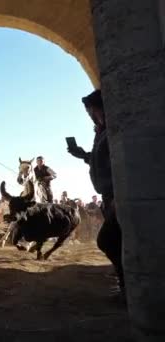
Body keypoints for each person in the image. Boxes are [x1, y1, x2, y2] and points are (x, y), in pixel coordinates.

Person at [67, 89, 124, 302]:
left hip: (116, 193)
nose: (90, 115)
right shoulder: (101, 132)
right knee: (114, 241)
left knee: (108, 240)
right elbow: (98, 159)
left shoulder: (111, 129)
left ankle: (127, 287)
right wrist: (81, 153)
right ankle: (125, 286)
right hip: (109, 194)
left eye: (92, 111)